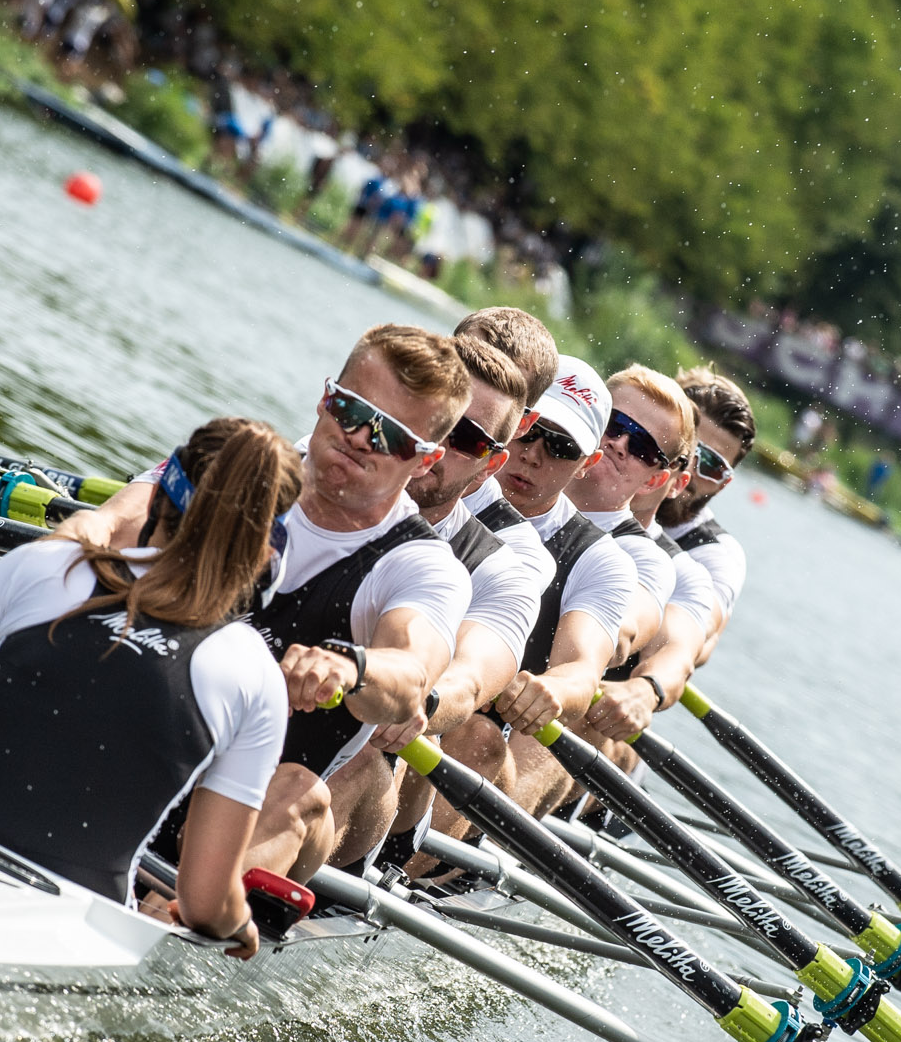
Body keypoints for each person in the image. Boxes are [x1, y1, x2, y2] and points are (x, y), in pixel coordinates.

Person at [0, 421, 299, 958]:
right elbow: (204, 899)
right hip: (78, 917)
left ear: (157, 500)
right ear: (266, 556)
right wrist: (237, 923)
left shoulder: (44, 567)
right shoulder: (252, 671)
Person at [242, 324, 473, 881]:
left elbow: (412, 673)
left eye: (390, 436)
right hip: (159, 737)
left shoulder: (423, 566)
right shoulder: (239, 470)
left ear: (424, 460)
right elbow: (124, 518)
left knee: (297, 789)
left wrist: (351, 665)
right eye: (348, 409)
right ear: (325, 398)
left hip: (263, 800)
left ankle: (183, 908)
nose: (358, 437)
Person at [360, 332, 549, 866]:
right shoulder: (317, 466)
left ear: (490, 466)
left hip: (377, 775)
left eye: (465, 438)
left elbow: (468, 680)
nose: (436, 444)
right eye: (433, 418)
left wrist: (422, 700)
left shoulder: (502, 568)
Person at [442, 356, 644, 827]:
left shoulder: (601, 559)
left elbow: (581, 668)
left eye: (560, 447)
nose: (534, 454)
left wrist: (551, 690)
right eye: (531, 432)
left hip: (483, 748)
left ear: (587, 463)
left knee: (478, 738)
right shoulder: (430, 477)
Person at [568, 366, 709, 748]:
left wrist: (646, 690)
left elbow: (673, 651)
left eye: (643, 447)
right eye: (614, 424)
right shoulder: (512, 474)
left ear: (657, 479)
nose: (619, 444)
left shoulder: (663, 566)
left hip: (569, 716)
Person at [654, 365, 755, 665]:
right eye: (689, 444)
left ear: (724, 483)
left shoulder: (717, 555)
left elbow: (700, 633)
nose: (688, 469)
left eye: (711, 465)